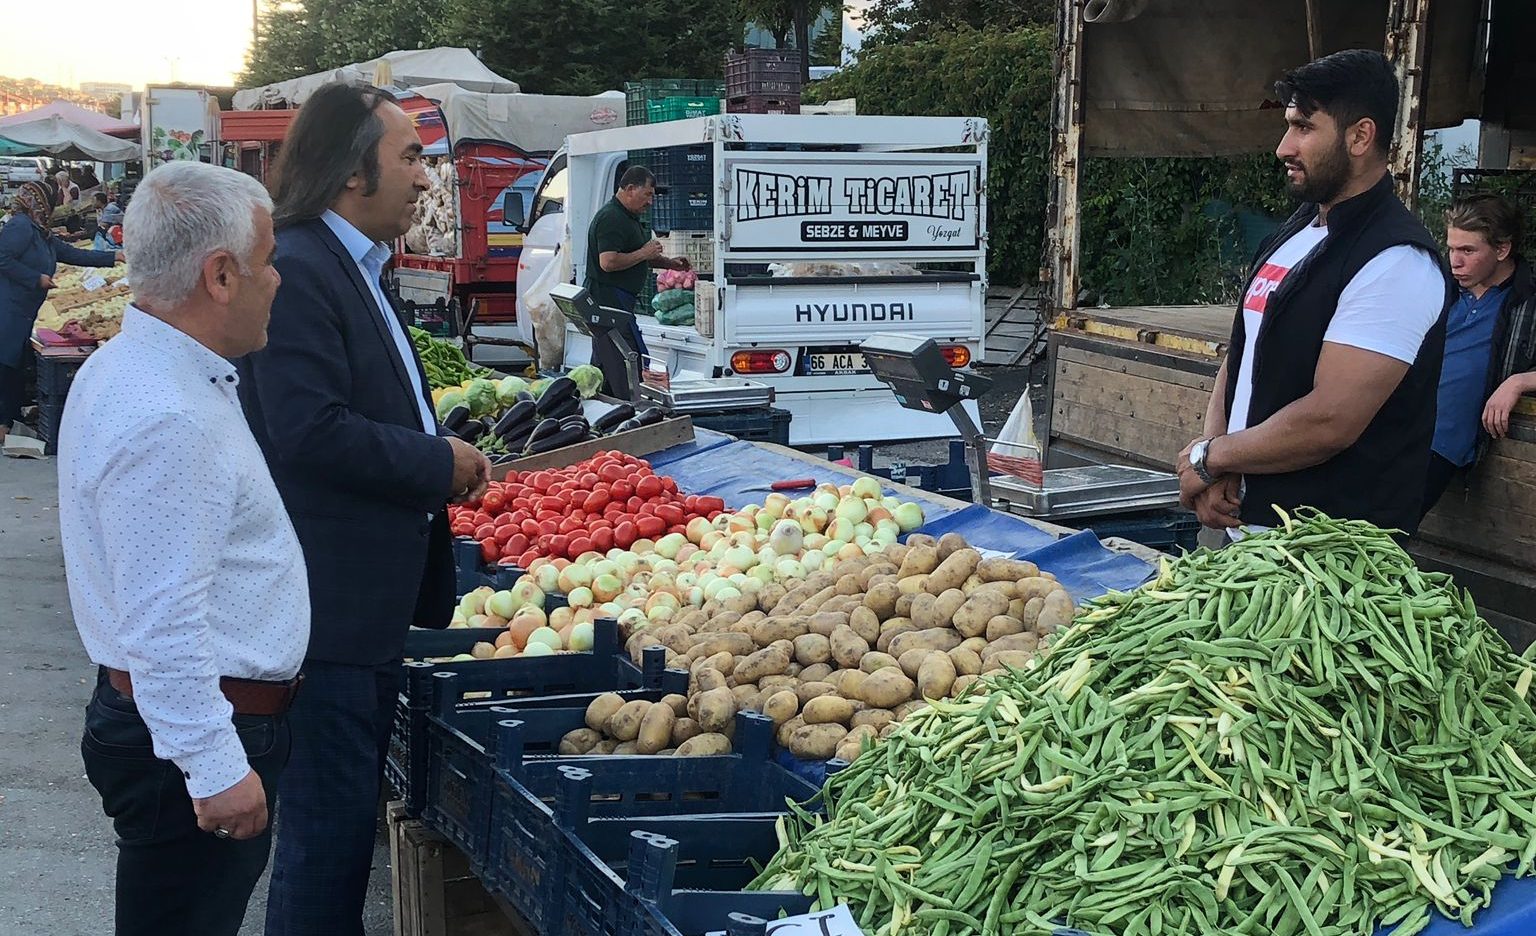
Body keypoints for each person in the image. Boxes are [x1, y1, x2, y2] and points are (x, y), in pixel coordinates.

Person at [235, 81, 491, 936]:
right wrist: (435, 460)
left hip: (358, 612)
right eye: (410, 156)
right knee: (326, 839)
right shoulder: (305, 266)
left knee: (337, 835)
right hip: (330, 616)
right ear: (352, 172)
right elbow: (309, 430)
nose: (425, 179)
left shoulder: (350, 264)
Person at [56, 160, 308, 936]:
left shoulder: (141, 371)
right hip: (199, 735)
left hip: (184, 725)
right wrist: (215, 766)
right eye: (268, 264)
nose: (278, 283)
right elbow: (163, 620)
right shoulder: (168, 416)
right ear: (221, 275)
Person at [1177, 49, 1453, 537]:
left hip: (1334, 560)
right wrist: (1216, 455)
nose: (1284, 147)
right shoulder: (1299, 229)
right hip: (1255, 536)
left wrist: (1209, 457)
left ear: (1360, 136)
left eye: (1304, 127)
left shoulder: (1396, 261)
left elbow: (1330, 420)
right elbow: (1244, 352)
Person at [1421, 193, 1535, 516]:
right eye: (1452, 248)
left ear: (1502, 249)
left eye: (1468, 250)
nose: (1455, 260)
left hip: (1440, 446)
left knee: (1380, 538)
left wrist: (1518, 382)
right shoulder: (1438, 286)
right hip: (1391, 427)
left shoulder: (1528, 300)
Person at [0, 181, 122, 443]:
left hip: (23, 309)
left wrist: (113, 258)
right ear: (39, 201)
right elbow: (2, 258)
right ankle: (4, 424)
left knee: (12, 364)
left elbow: (70, 254)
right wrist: (37, 279)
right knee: (6, 365)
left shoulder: (39, 231)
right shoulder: (20, 226)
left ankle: (9, 421)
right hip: (8, 307)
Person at [584, 165, 691, 397]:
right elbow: (608, 262)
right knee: (628, 364)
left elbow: (634, 256)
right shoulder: (611, 218)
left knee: (607, 364)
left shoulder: (629, 217)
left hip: (618, 303)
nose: (650, 202)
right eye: (648, 194)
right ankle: (630, 408)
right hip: (609, 302)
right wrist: (644, 252)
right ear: (630, 189)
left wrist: (669, 263)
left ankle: (607, 404)